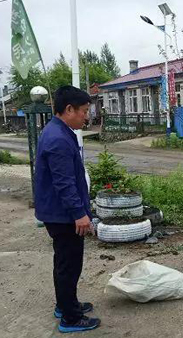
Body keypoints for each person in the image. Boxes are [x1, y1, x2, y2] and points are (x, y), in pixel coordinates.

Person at [34, 86, 101, 333]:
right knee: (69, 264)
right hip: (63, 215)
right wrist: (79, 214)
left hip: (59, 212)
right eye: (84, 111)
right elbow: (64, 183)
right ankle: (70, 318)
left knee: (65, 261)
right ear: (69, 109)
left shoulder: (60, 131)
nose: (87, 116)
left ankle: (66, 305)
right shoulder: (58, 139)